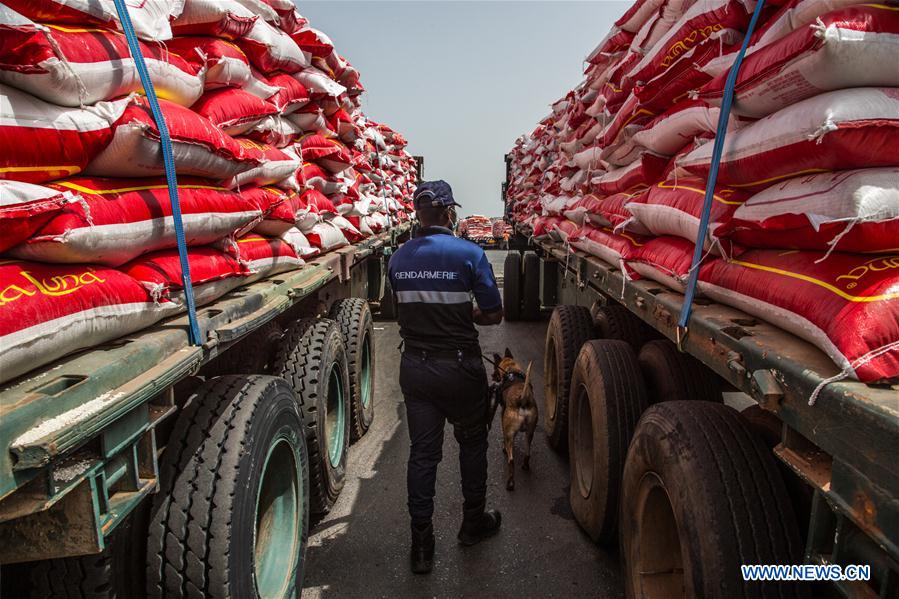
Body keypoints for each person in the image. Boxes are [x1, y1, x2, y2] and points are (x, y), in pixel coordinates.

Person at [388, 180, 504, 575]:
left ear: (418, 214)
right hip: (459, 369)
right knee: (471, 444)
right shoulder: (469, 254)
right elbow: (493, 314)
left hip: (416, 369)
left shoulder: (398, 258)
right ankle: (473, 523)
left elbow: (400, 312)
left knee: (423, 455)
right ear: (447, 213)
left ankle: (421, 545)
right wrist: (465, 314)